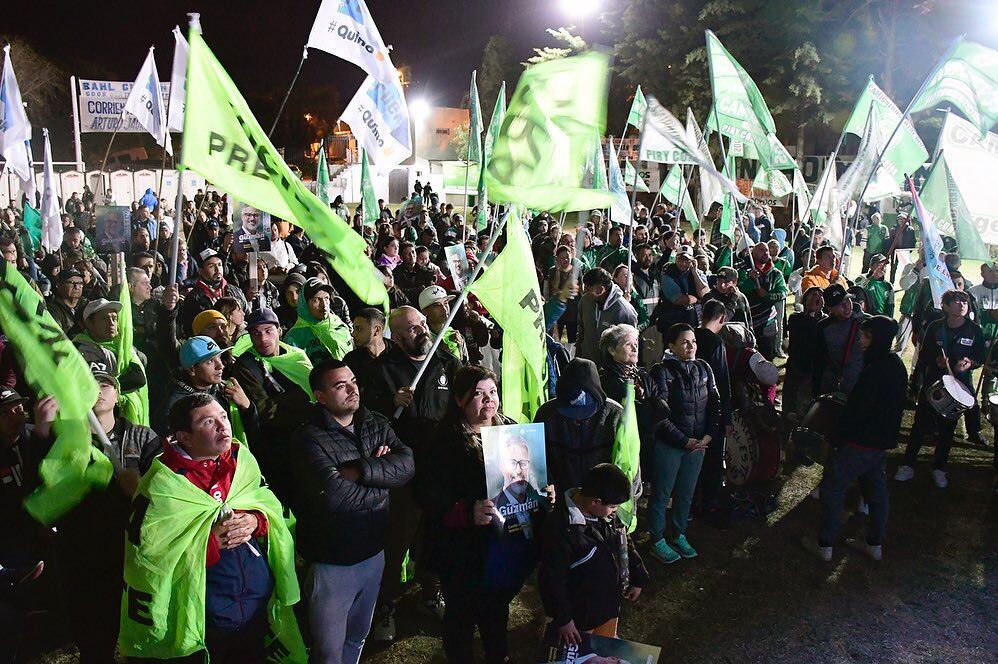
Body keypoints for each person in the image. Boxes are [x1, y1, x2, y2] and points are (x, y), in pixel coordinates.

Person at [121, 393, 305, 663]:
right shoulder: (163, 485)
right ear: (183, 437)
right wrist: (209, 543)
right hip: (204, 616)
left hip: (255, 605)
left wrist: (256, 520)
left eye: (222, 416)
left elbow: (266, 502)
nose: (223, 426)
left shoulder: (241, 459)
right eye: (208, 422)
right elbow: (150, 555)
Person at [414, 365, 550, 664]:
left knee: (496, 608)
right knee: (461, 615)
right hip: (461, 549)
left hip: (501, 545)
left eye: (492, 392)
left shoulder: (509, 429)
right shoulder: (442, 441)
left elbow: (525, 483)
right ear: (459, 400)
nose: (489, 400)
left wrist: (542, 493)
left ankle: (497, 655)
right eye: (478, 394)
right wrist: (465, 511)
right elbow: (426, 494)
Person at [290, 359, 415, 664]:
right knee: (328, 651)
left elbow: (407, 464)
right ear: (320, 396)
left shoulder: (375, 422)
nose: (352, 389)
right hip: (334, 562)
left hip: (374, 552)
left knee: (358, 636)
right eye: (340, 385)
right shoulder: (308, 437)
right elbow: (333, 497)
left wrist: (361, 470)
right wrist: (382, 478)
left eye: (353, 381)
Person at [361, 306, 460, 642]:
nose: (421, 331)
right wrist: (390, 403)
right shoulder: (381, 371)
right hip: (401, 475)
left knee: (436, 535)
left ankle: (431, 592)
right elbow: (367, 421)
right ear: (397, 336)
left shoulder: (445, 362)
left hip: (440, 470)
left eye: (422, 324)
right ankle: (385, 606)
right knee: (396, 540)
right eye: (412, 328)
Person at [54, 366, 160, 663]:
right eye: (88, 384)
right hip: (86, 555)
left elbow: (168, 490)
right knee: (95, 640)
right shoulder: (63, 441)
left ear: (117, 394)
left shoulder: (143, 438)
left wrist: (140, 489)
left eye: (105, 384)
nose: (98, 390)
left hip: (136, 552)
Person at [803, 316, 908, 562]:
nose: (861, 340)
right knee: (876, 492)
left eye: (866, 335)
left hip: (860, 442)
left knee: (833, 487)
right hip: (880, 444)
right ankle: (874, 542)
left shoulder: (875, 370)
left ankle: (824, 544)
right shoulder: (895, 365)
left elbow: (858, 410)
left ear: (876, 338)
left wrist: (840, 437)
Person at [538, 463, 648, 645]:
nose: (616, 511)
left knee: (604, 647)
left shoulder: (606, 514)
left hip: (608, 605)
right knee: (582, 652)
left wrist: (638, 576)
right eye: (613, 507)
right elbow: (552, 578)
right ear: (595, 501)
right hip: (580, 615)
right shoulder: (559, 528)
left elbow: (624, 542)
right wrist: (564, 619)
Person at [646, 323, 722, 564]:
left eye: (693, 342)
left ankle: (678, 533)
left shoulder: (704, 367)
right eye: (684, 342)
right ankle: (656, 539)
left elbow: (715, 403)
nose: (691, 346)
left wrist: (708, 435)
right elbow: (659, 415)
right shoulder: (661, 372)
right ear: (671, 346)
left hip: (698, 444)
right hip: (672, 445)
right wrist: (684, 440)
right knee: (662, 493)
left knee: (686, 493)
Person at [896, 289, 986, 487]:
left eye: (965, 301)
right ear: (944, 306)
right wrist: (935, 360)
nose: (962, 304)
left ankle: (939, 468)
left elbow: (980, 355)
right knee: (920, 425)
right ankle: (907, 464)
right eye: (956, 301)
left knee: (948, 428)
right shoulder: (935, 327)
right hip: (933, 384)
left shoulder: (974, 330)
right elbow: (924, 354)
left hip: (959, 386)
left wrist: (969, 362)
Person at [228, 307, 314, 503]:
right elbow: (267, 412)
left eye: (268, 331)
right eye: (256, 334)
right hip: (278, 447)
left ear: (279, 331)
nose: (263, 339)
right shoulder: (246, 367)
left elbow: (315, 393)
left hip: (310, 438)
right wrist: (301, 406)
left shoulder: (296, 357)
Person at [534, 358, 624, 494]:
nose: (577, 418)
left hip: (602, 501)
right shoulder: (546, 414)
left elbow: (628, 463)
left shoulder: (615, 414)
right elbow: (537, 459)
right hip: (560, 497)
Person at [153, 336, 257, 443]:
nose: (220, 366)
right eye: (210, 361)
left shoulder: (225, 390)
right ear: (192, 370)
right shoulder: (174, 406)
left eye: (219, 357)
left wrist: (247, 407)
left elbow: (252, 434)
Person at [694, 300, 733, 527]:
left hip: (692, 408)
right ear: (721, 318)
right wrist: (725, 417)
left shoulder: (690, 337)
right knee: (712, 459)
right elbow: (722, 383)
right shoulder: (716, 343)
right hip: (710, 409)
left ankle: (691, 499)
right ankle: (709, 502)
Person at [813, 284, 870, 396]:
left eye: (847, 300)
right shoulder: (823, 328)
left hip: (862, 388)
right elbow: (819, 361)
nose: (846, 306)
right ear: (829, 308)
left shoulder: (868, 322)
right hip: (833, 389)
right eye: (839, 304)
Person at [180, 249, 249, 336]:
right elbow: (190, 330)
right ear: (200, 270)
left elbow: (247, 315)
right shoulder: (193, 298)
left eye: (219, 265)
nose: (218, 270)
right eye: (211, 266)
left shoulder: (235, 290)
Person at [577, 268, 638, 364]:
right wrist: (578, 355)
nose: (585, 293)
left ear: (600, 290)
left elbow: (629, 347)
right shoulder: (585, 301)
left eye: (588, 290)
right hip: (586, 364)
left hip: (610, 371)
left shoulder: (624, 311)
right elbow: (581, 331)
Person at [738, 242, 788, 360]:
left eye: (766, 250)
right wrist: (750, 281)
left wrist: (768, 295)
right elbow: (738, 292)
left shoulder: (776, 273)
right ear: (752, 253)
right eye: (761, 250)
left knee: (767, 355)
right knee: (750, 355)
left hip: (769, 321)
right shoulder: (743, 271)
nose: (765, 253)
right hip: (748, 320)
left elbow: (783, 292)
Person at [285, 278, 354, 363]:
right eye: (316, 300)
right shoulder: (294, 337)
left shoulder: (338, 324)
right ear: (304, 304)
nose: (324, 305)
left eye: (326, 298)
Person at [653, 245, 709, 333]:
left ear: (692, 261)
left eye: (686, 260)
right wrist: (697, 299)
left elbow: (705, 293)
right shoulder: (668, 273)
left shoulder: (698, 272)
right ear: (675, 259)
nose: (683, 263)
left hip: (692, 320)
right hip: (671, 321)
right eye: (680, 259)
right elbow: (678, 299)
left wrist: (695, 273)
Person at [418, 285, 467, 362]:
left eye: (446, 303)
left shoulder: (456, 335)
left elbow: (464, 367)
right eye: (437, 305)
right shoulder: (420, 340)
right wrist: (441, 354)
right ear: (424, 311)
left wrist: (460, 347)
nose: (444, 309)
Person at [344, 307, 393, 378]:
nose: (353, 334)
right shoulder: (351, 360)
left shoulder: (398, 353)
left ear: (376, 330)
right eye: (354, 329)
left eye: (359, 329)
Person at [46, 268, 87, 337]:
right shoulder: (51, 309)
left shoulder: (87, 305)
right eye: (71, 283)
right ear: (58, 285)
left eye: (80, 283)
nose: (77, 287)